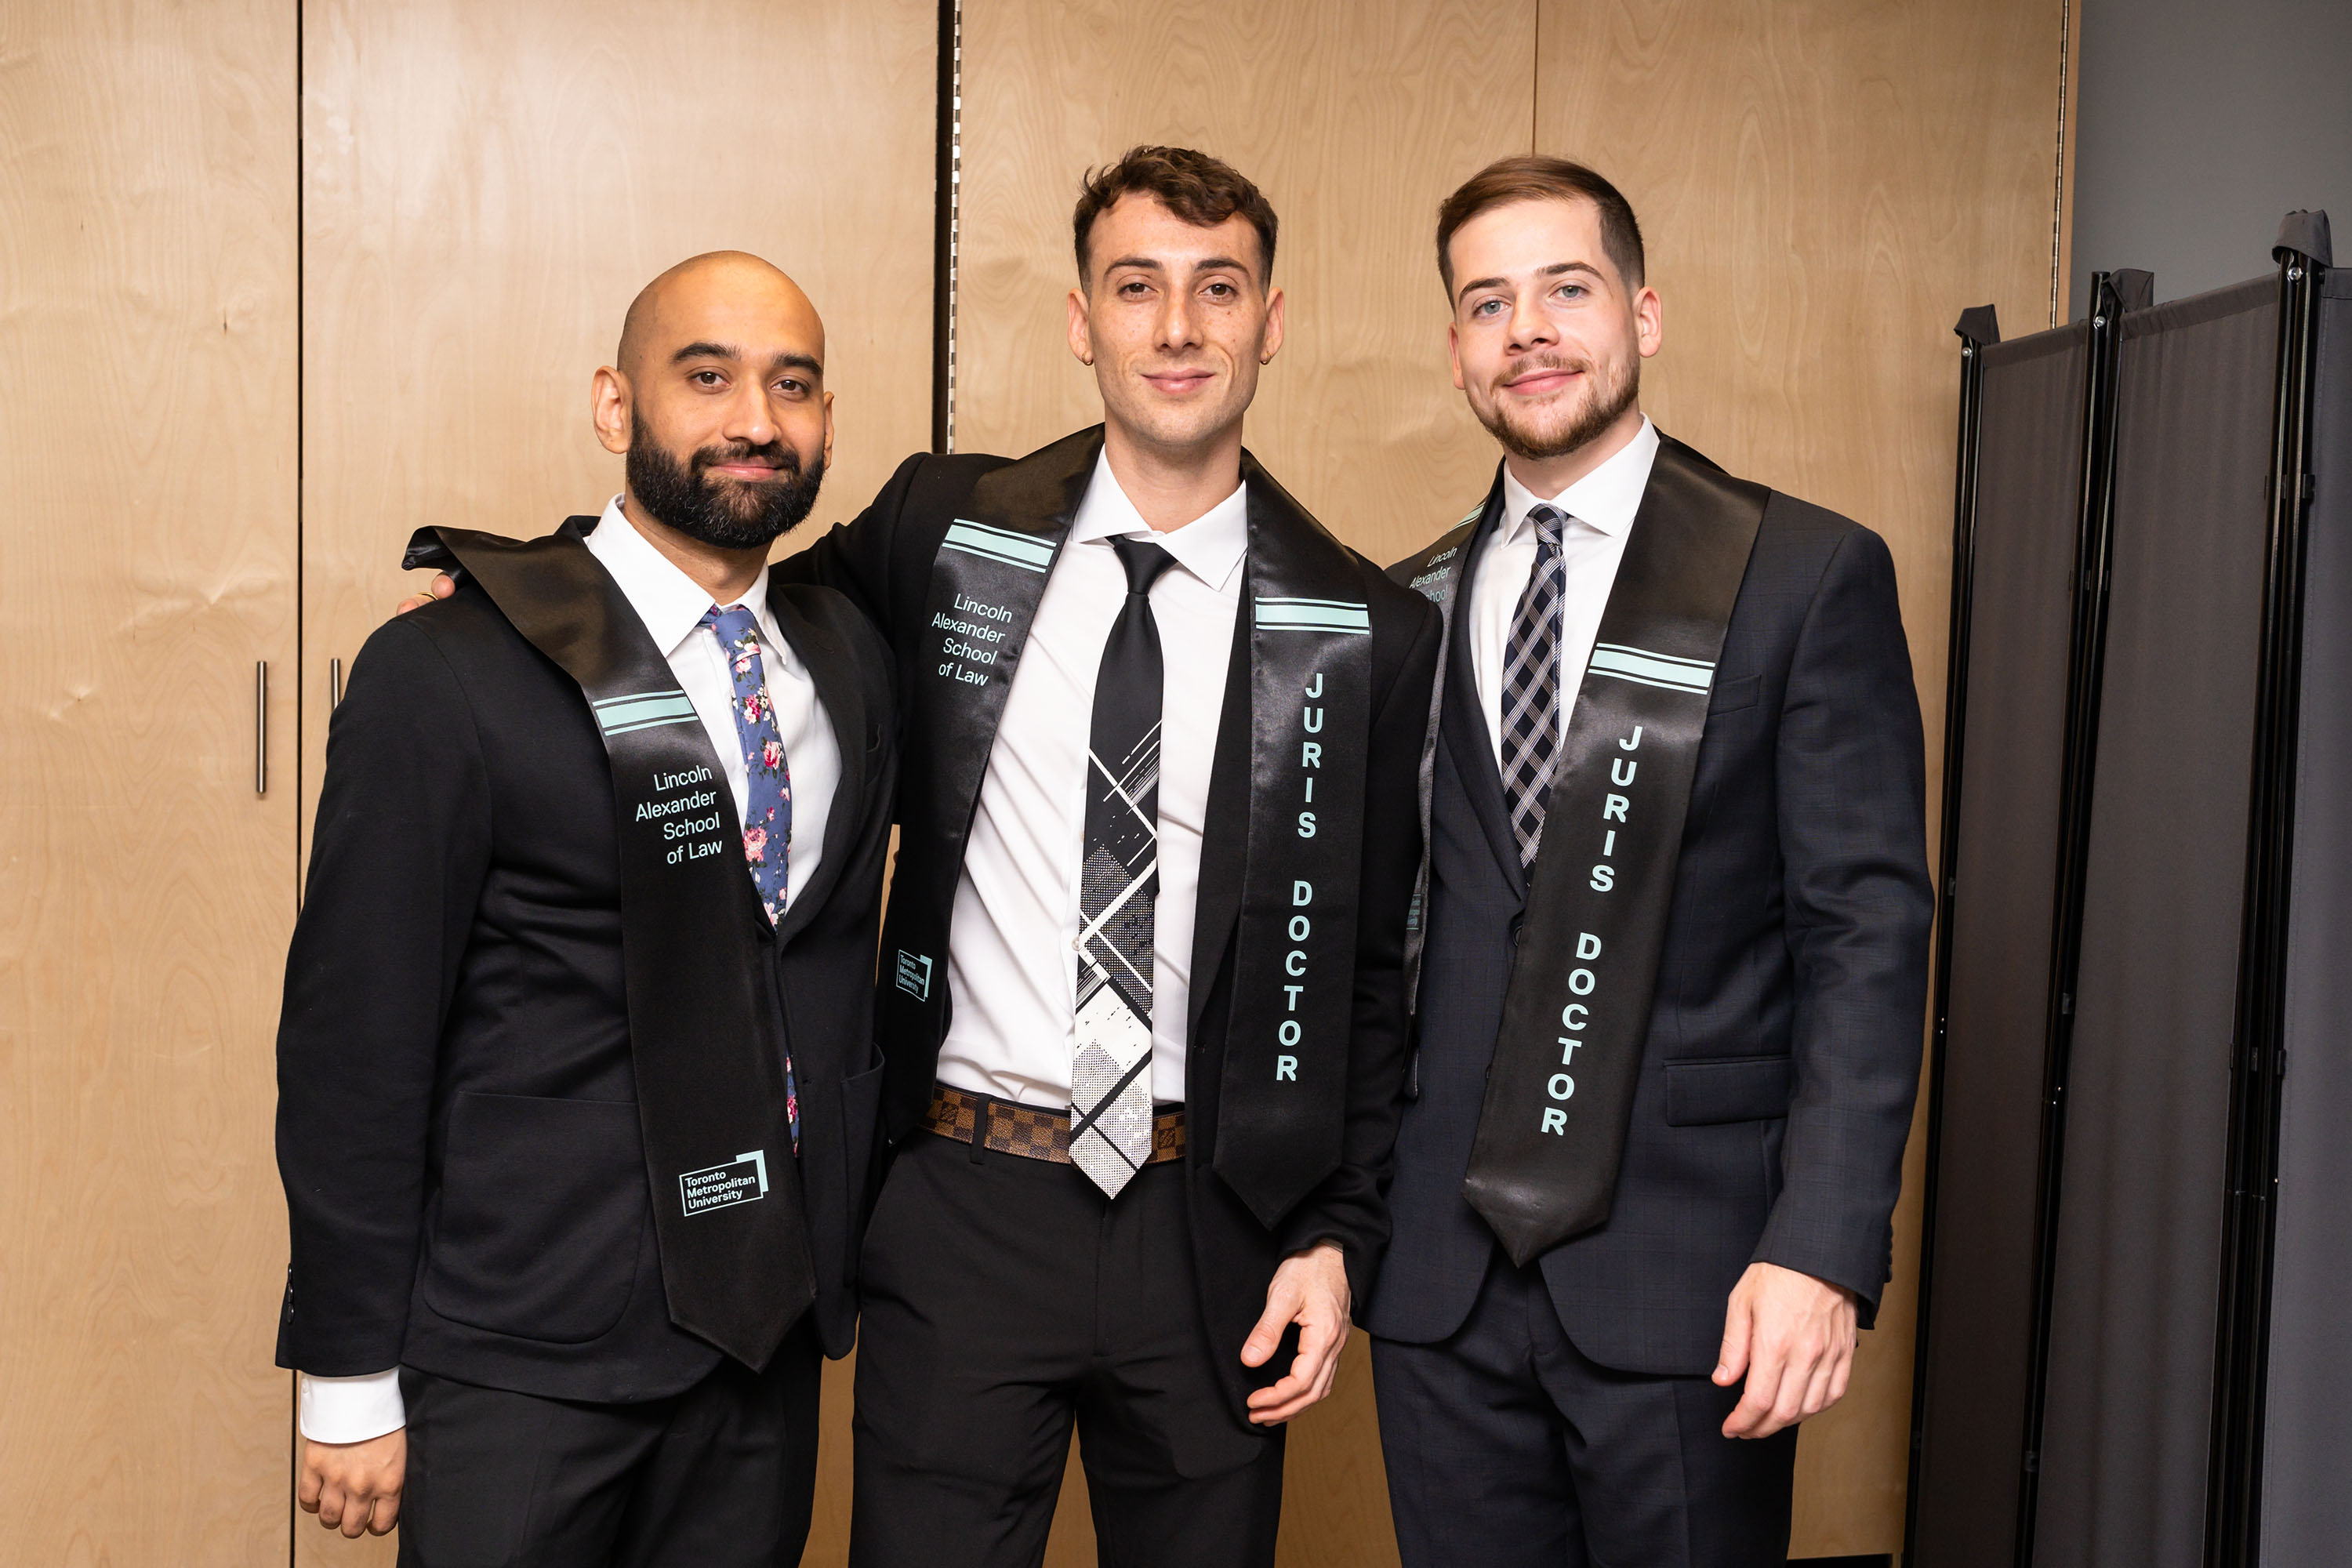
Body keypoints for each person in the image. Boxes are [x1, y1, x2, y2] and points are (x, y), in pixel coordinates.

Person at [773, 146, 1440, 1566]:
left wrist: (1334, 1240)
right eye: (1137, 288)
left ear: (1272, 321)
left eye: (1219, 289)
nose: (1178, 327)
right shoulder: (947, 531)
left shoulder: (1362, 628)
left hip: (1214, 1228)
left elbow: (1370, 989)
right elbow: (733, 604)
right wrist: (539, 587)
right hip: (963, 1203)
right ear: (1083, 319)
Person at [279, 252, 898, 1564]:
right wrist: (345, 1373)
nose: (754, 421)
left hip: (762, 1347)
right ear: (616, 407)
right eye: (707, 376)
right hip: (523, 1351)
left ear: (828, 424)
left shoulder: (847, 660)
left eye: (793, 386)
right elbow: (354, 1042)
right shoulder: (450, 669)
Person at [1370, 157, 1932, 1566]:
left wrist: (1820, 1250)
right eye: (1488, 303)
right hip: (1439, 1289)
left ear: (1646, 311)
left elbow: (1868, 936)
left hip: (1695, 1282)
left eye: (1567, 289)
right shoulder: (1409, 602)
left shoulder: (1798, 573)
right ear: (1455, 352)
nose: (1530, 332)